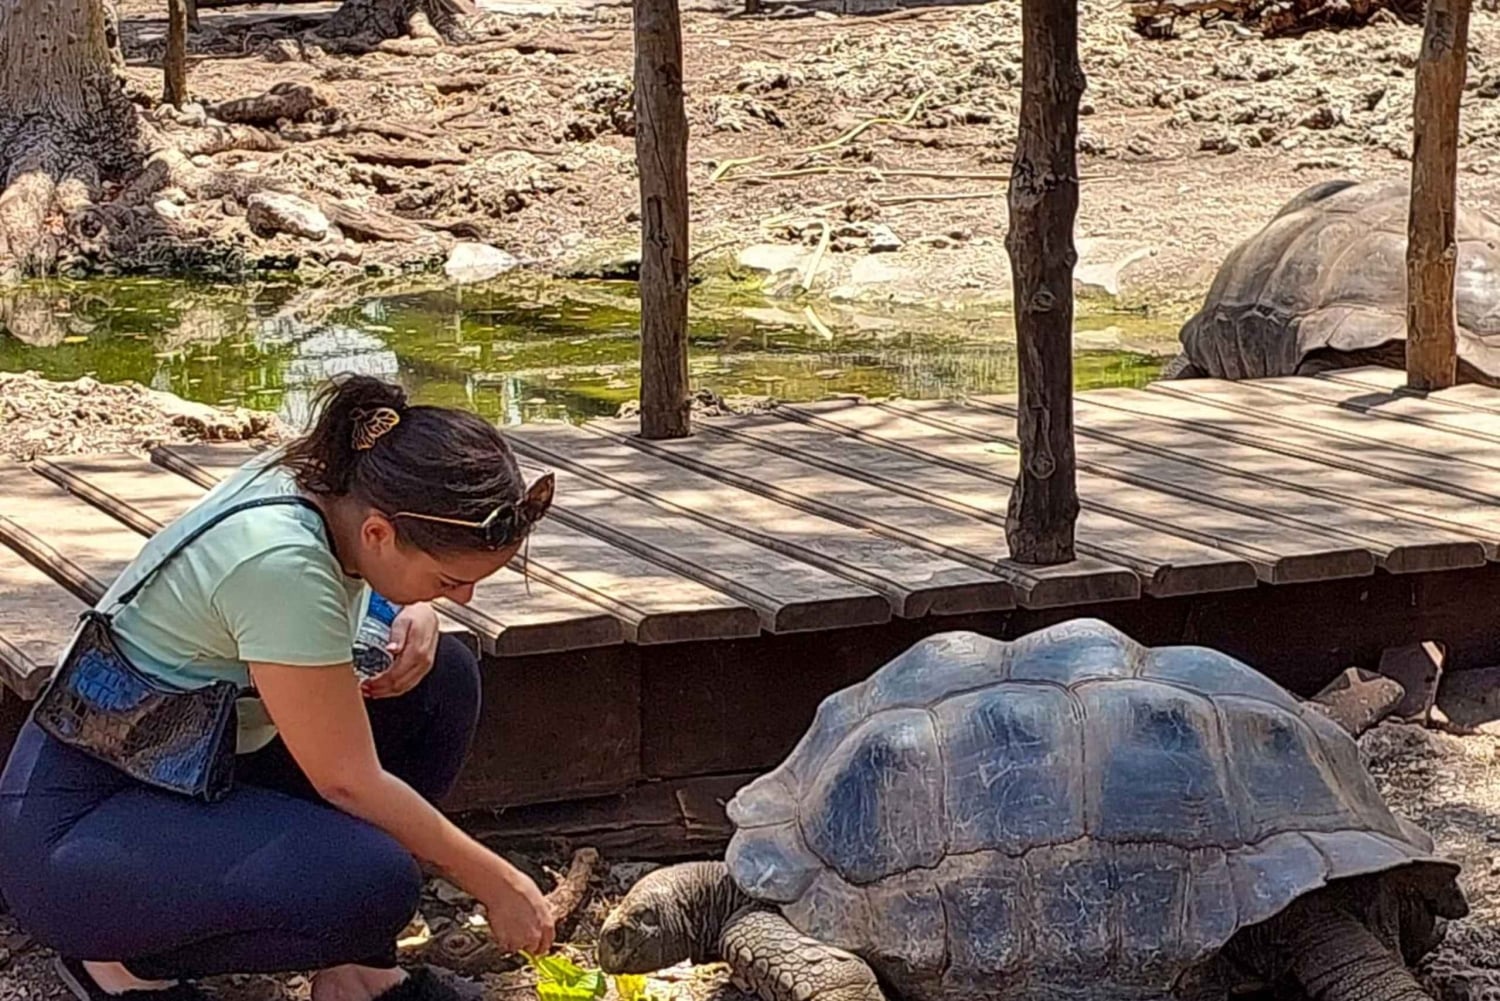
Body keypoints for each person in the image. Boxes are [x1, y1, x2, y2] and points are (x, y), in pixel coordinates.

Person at [0, 375, 558, 1001]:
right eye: (449, 578)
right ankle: (115, 963)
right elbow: (346, 779)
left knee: (441, 677)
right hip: (80, 830)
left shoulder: (331, 480)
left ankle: (359, 976)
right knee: (371, 885)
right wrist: (496, 881)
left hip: (191, 764)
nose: (464, 597)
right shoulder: (282, 565)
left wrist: (412, 604)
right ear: (380, 533)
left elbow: (349, 597)